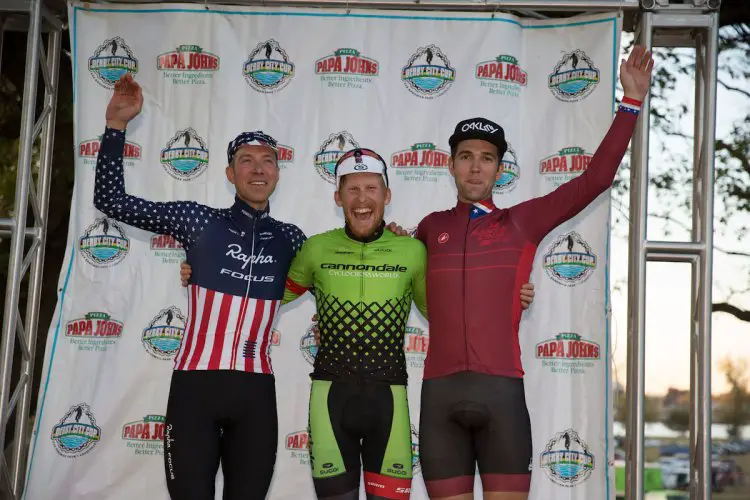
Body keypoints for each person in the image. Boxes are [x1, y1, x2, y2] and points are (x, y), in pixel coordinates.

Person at [414, 45, 655, 500]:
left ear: (499, 170)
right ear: (451, 164)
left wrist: (632, 102)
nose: (475, 165)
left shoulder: (521, 222)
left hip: (501, 394)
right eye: (465, 155)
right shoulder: (428, 229)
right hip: (439, 396)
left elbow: (594, 181)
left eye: (486, 157)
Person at [95, 73, 306, 500]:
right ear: (230, 172)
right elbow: (112, 203)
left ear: (278, 173)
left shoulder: (292, 239)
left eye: (268, 160)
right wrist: (116, 127)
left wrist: (389, 235)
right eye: (247, 160)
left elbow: (344, 273)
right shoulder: (199, 220)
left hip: (255, 393)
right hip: (195, 388)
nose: (258, 168)